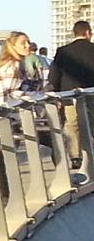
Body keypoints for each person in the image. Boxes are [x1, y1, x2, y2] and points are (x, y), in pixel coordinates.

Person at [48, 19, 94, 171]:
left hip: (69, 94)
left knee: (72, 125)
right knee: (91, 124)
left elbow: (54, 75)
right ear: (88, 33)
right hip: (91, 94)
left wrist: (55, 93)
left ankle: (75, 157)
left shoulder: (63, 51)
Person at [0, 31, 42, 104]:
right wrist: (33, 95)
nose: (28, 45)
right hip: (9, 108)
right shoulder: (12, 65)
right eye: (23, 43)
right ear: (13, 46)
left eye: (28, 42)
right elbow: (10, 93)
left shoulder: (16, 63)